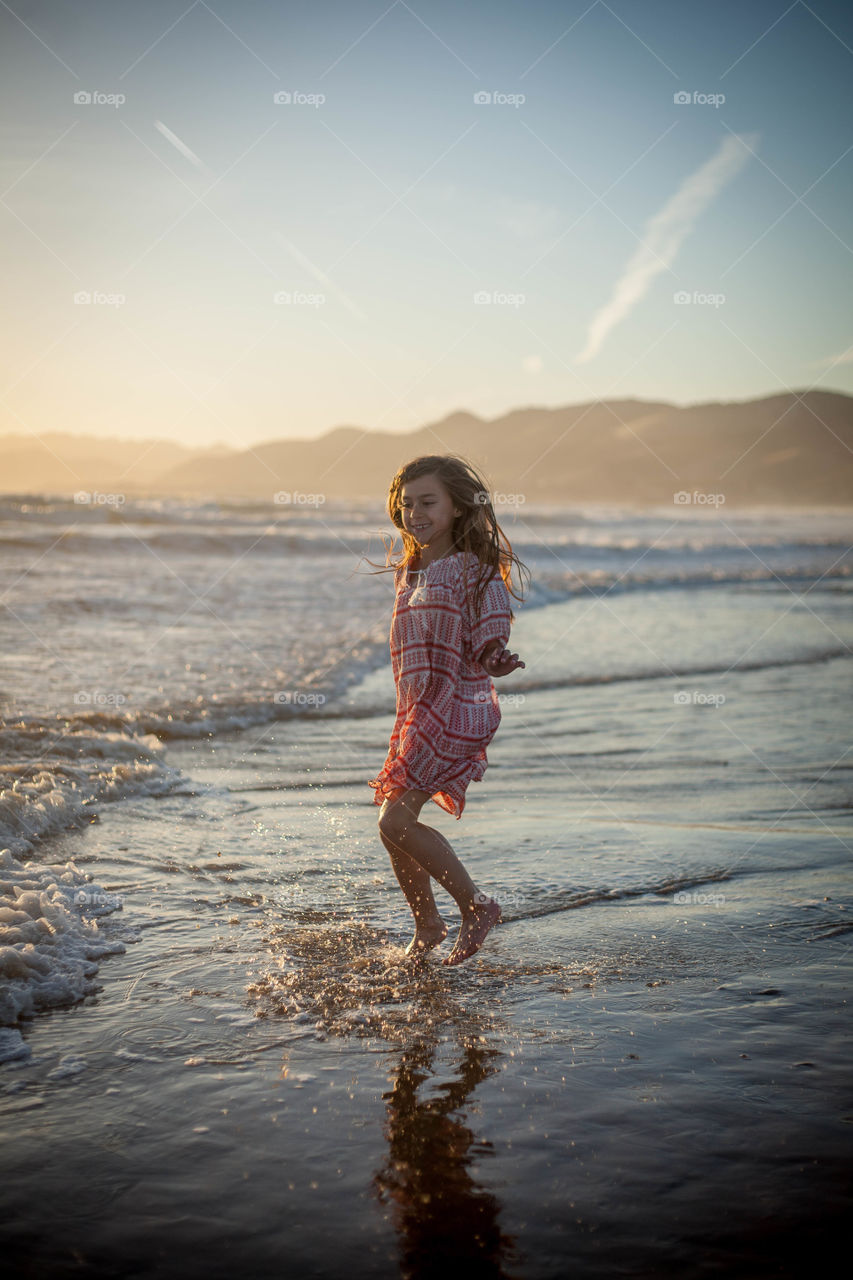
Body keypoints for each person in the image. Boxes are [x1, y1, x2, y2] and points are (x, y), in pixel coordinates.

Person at [366, 454, 529, 965]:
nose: (414, 512)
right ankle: (428, 924)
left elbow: (489, 626)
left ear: (458, 507)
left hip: (458, 707)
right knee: (392, 825)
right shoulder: (411, 569)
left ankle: (476, 907)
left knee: (395, 822)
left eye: (428, 502)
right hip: (419, 712)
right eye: (406, 503)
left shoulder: (473, 571)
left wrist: (495, 656)